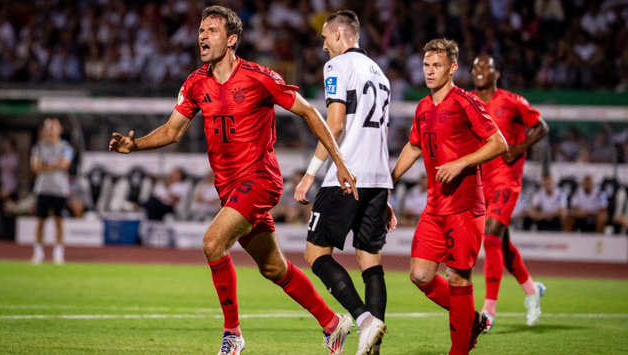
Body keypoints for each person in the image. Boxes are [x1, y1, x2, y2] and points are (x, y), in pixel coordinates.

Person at [108, 6, 358, 355]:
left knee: (213, 243)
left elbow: (310, 112)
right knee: (274, 268)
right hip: (230, 190)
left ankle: (233, 335)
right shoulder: (196, 83)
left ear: (232, 40)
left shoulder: (259, 77)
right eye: (201, 30)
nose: (202, 36)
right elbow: (172, 131)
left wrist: (340, 162)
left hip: (260, 180)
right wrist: (135, 145)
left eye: (211, 30)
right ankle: (333, 324)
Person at [390, 38, 507, 355]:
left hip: (465, 209)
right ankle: (473, 320)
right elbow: (414, 146)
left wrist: (461, 163)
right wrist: (389, 181)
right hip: (435, 208)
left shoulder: (465, 102)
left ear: (452, 68)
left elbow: (499, 143)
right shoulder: (424, 107)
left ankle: (460, 349)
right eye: (426, 65)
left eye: (437, 65)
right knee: (420, 275)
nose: (429, 71)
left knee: (458, 279)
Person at [293, 10, 392, 355]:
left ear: (339, 35)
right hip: (379, 177)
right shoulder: (381, 74)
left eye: (325, 37)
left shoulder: (337, 66)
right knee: (370, 258)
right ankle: (373, 348)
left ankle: (365, 320)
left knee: (316, 253)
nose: (323, 46)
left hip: (345, 175)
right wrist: (383, 191)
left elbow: (333, 126)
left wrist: (310, 173)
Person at [471, 54, 548, 330]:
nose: (480, 71)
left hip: (506, 179)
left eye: (485, 67)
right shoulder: (468, 101)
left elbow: (542, 126)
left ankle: (489, 311)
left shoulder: (511, 101)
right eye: (476, 67)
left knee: (491, 238)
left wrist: (519, 148)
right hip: (481, 181)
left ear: (496, 73)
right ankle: (531, 289)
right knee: (501, 243)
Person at [30, 118, 74, 265]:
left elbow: (64, 165)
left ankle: (58, 253)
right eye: (48, 128)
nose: (51, 131)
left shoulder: (66, 147)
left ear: (60, 129)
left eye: (53, 127)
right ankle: (38, 253)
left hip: (60, 189)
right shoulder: (38, 147)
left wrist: (46, 166)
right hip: (42, 188)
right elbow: (35, 167)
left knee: (59, 222)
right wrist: (54, 165)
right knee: (40, 221)